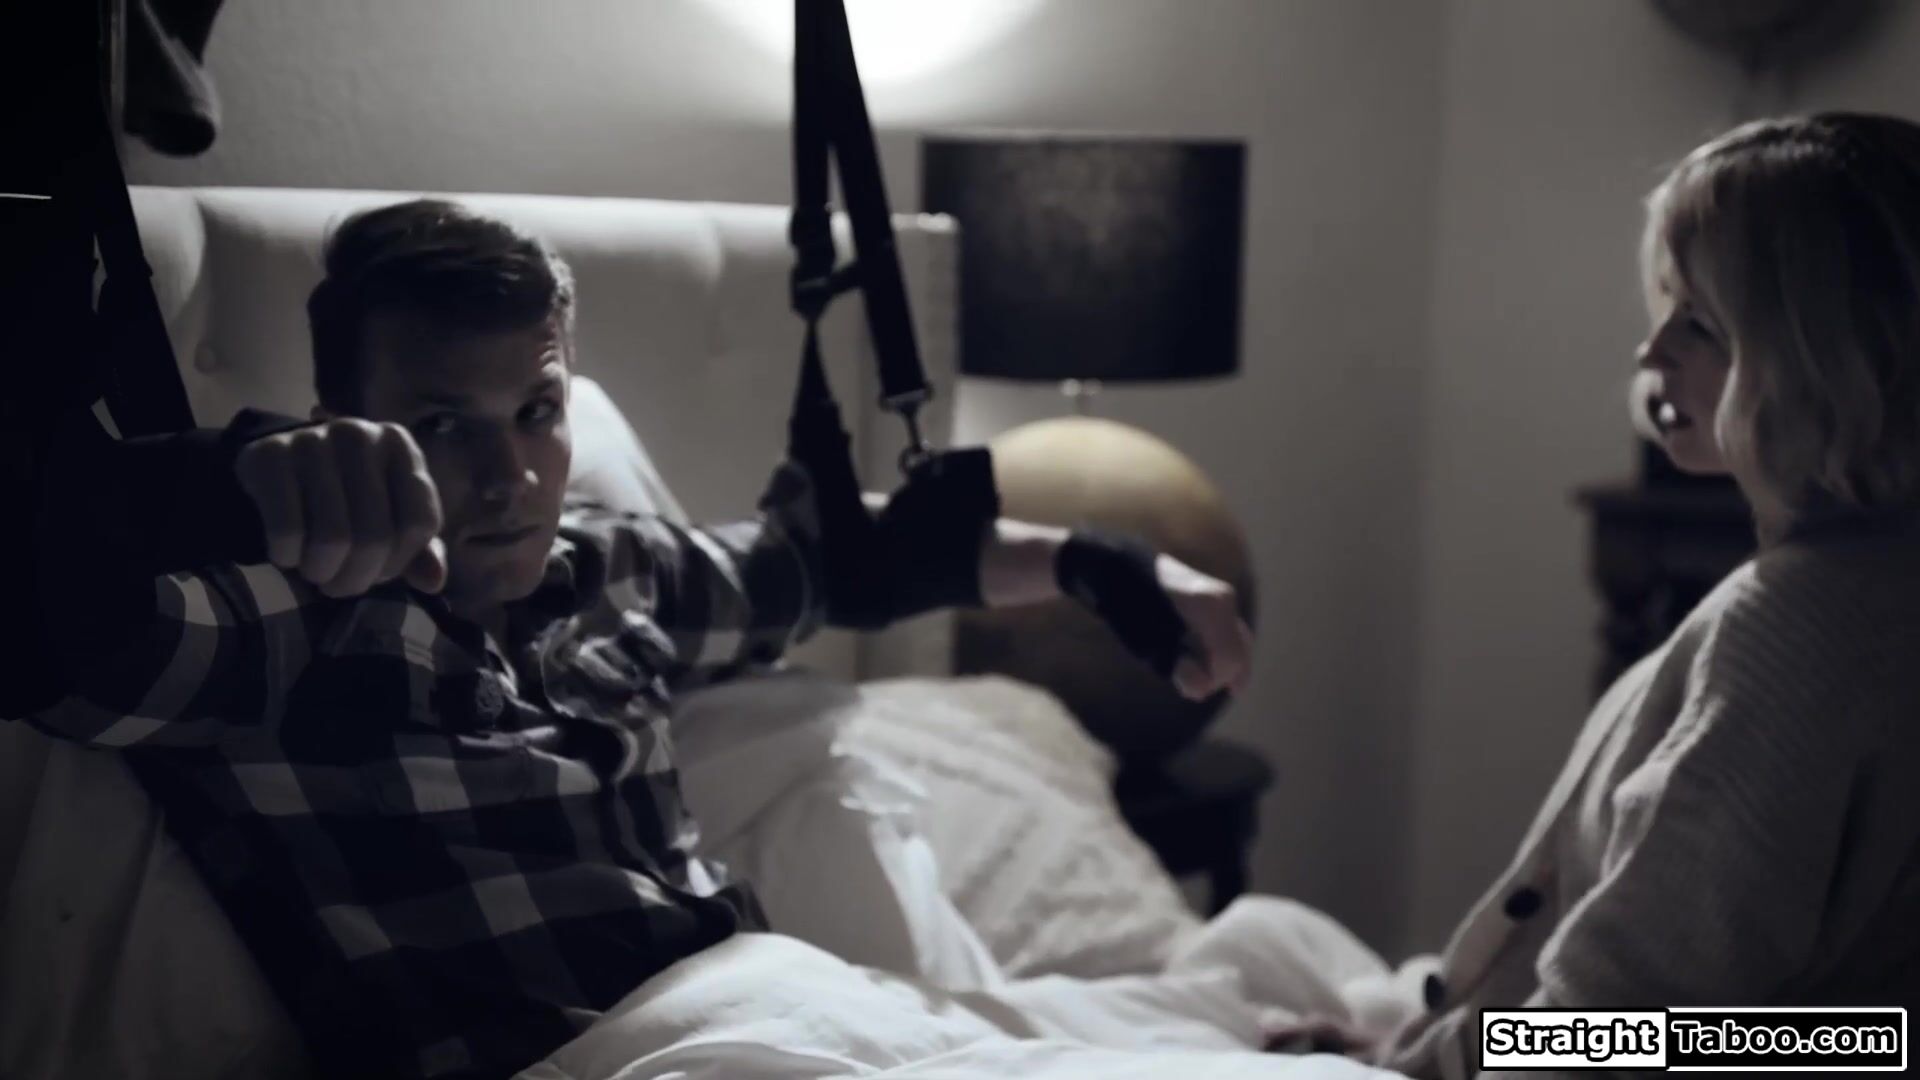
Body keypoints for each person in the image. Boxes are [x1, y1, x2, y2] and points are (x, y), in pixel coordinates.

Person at [16, 198, 1255, 1080]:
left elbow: (846, 563)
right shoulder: (297, 625)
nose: (509, 475)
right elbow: (45, 631)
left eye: (537, 411)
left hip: (771, 1011)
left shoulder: (612, 571)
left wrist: (1103, 564)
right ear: (345, 420)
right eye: (443, 424)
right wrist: (211, 483)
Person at [1274, 111, 1920, 1078]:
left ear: (1819, 356)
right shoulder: (1880, 581)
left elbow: (1625, 1023)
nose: (1650, 353)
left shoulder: (1791, 627)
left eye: (1699, 323)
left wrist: (1412, 1071)